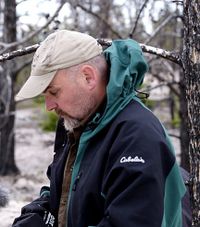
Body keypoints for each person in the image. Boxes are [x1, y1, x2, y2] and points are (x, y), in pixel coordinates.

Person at [13, 30, 187, 227]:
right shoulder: (76, 122)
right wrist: (38, 215)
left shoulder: (138, 136)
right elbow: (60, 190)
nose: (49, 106)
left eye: (53, 91)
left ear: (88, 77)